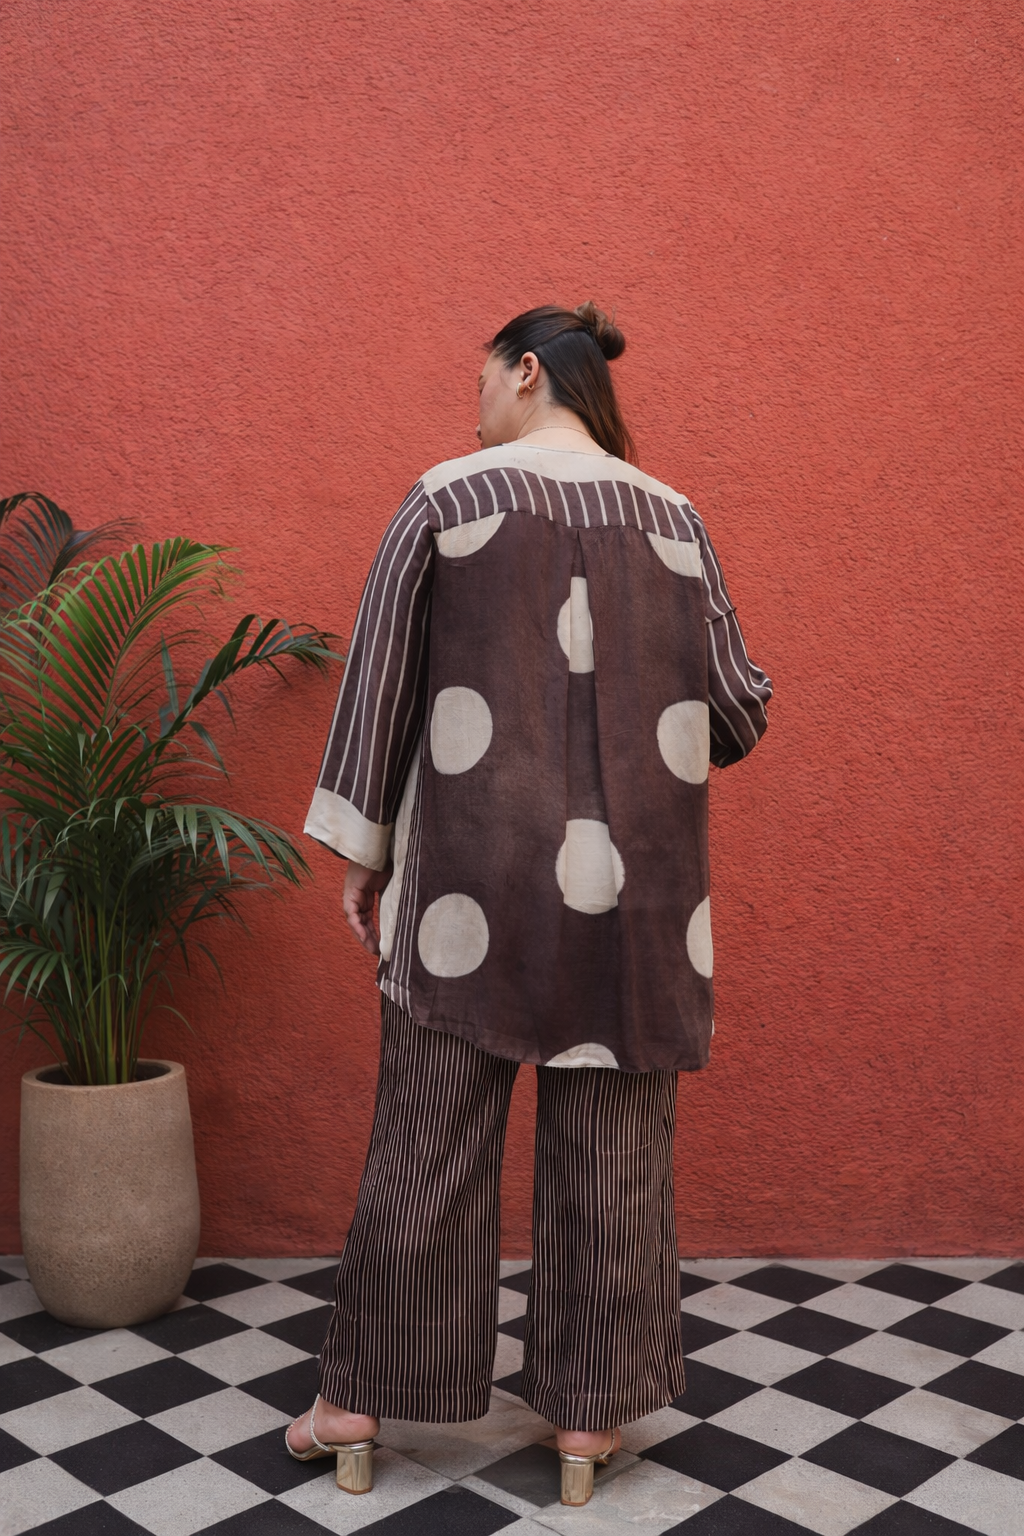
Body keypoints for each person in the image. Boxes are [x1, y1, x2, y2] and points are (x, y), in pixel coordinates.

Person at [286, 303, 773, 1506]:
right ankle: (587, 1422)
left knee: (428, 1139)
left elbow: (381, 682)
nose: (475, 408)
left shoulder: (443, 500)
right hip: (635, 900)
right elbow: (735, 708)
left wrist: (364, 852)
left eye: (481, 382)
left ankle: (356, 1405)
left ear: (520, 374)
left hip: (470, 877)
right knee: (614, 1156)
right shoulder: (675, 517)